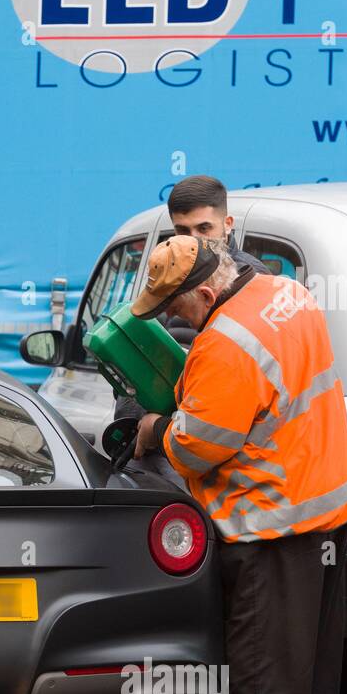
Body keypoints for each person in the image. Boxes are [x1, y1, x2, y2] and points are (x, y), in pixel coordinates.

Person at [131, 235, 347, 694]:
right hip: (325, 514)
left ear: (205, 290)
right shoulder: (288, 294)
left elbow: (199, 447)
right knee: (307, 670)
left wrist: (157, 428)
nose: (177, 324)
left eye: (177, 310)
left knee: (264, 672)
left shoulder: (224, 344)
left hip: (268, 526)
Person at [111, 176, 269, 476]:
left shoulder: (252, 281)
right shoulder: (169, 270)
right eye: (183, 230)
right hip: (164, 446)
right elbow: (140, 363)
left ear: (228, 224)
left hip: (219, 455)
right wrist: (136, 434)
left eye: (204, 228)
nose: (195, 239)